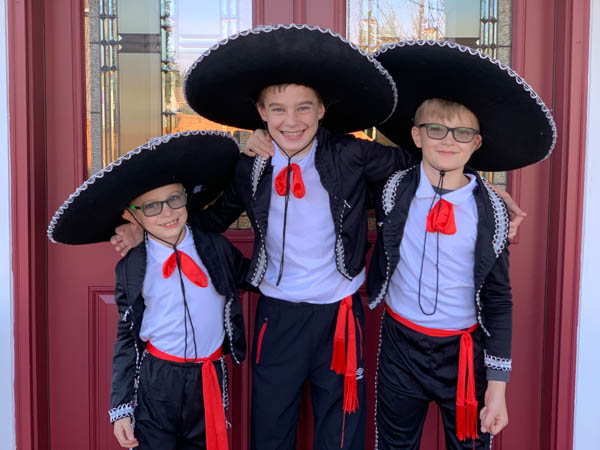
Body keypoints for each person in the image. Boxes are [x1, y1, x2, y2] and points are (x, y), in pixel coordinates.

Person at [110, 25, 523, 450]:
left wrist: (484, 192)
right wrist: (146, 227)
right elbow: (211, 220)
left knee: (340, 431)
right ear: (261, 112)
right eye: (278, 109)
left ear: (322, 109)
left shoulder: (351, 153)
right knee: (271, 429)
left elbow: (422, 162)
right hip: (277, 314)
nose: (291, 121)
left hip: (338, 313)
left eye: (303, 108)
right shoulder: (250, 166)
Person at [366, 41, 556, 449]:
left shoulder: (491, 212)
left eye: (462, 133)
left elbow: (499, 299)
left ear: (476, 143)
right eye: (436, 130)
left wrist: (498, 388)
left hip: (464, 352)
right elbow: (334, 161)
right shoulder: (392, 190)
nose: (448, 141)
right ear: (416, 135)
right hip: (400, 345)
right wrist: (264, 140)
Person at [47, 131, 250, 450]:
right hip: (158, 381)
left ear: (186, 198)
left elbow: (252, 277)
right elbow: (126, 337)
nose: (167, 213)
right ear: (132, 215)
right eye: (152, 207)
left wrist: (252, 160)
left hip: (208, 376)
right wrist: (121, 407)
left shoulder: (215, 247)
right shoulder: (132, 267)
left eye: (174, 199)